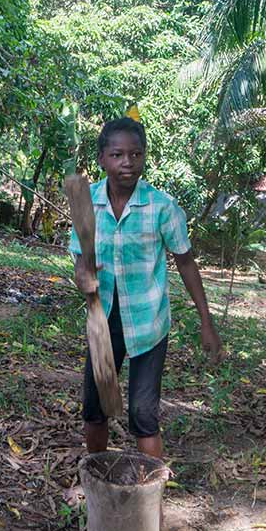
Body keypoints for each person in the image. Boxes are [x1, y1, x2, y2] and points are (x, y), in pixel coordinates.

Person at [71, 117, 224, 460]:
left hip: (148, 324)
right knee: (96, 407)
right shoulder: (85, 201)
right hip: (103, 319)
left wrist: (206, 321)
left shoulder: (162, 207)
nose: (127, 162)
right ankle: (98, 477)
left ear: (144, 157)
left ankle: (150, 497)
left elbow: (185, 262)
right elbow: (80, 260)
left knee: (143, 413)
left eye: (135, 154)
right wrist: (83, 275)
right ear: (102, 158)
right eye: (117, 154)